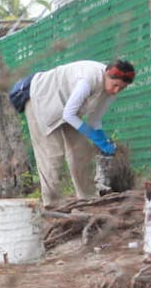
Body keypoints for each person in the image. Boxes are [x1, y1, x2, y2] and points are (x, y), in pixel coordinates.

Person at [16, 59, 135, 208]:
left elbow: (95, 119)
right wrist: (91, 134)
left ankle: (87, 198)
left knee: (81, 151)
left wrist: (101, 137)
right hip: (42, 99)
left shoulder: (110, 91)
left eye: (122, 88)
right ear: (107, 75)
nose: (117, 90)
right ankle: (52, 204)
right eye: (115, 85)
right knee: (52, 154)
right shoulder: (88, 79)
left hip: (67, 107)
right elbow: (69, 114)